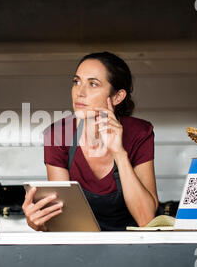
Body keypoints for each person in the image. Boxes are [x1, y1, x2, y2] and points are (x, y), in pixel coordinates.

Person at [22, 51, 159, 231]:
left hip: (134, 246)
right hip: (82, 247)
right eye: (77, 81)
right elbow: (63, 221)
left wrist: (119, 153)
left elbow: (146, 220)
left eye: (93, 84)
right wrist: (39, 223)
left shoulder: (139, 133)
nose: (80, 92)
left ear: (117, 97)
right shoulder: (57, 135)